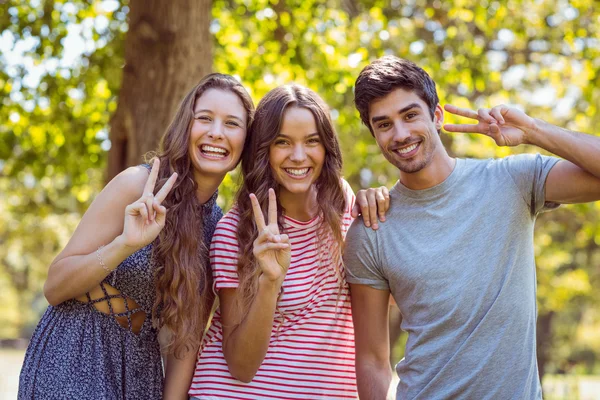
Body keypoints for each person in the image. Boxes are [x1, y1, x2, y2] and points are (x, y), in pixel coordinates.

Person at [344, 56, 600, 400]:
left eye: (410, 115)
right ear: (374, 134)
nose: (401, 134)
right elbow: (373, 361)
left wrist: (533, 132)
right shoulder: (371, 229)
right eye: (384, 124)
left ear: (437, 116)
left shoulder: (512, 181)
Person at [18, 73, 255, 400]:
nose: (216, 133)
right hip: (75, 350)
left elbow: (184, 344)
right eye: (205, 119)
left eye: (232, 123)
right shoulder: (135, 185)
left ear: (246, 140)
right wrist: (124, 245)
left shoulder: (219, 228)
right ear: (186, 126)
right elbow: (54, 286)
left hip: (140, 372)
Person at [185, 84, 388, 400]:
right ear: (263, 150)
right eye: (283, 142)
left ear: (327, 148)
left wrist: (383, 201)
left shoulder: (346, 204)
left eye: (312, 141)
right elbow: (240, 366)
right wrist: (270, 282)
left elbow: (384, 297)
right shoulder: (236, 231)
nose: (298, 156)